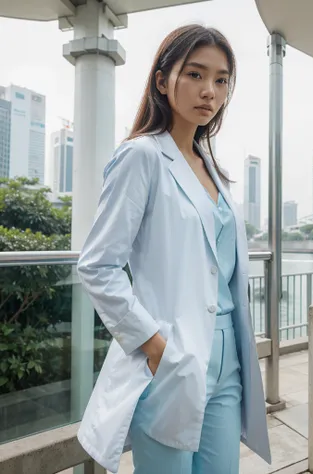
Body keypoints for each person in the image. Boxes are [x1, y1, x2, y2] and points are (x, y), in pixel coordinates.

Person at [75, 24, 271, 474]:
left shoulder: (211, 167)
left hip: (227, 361)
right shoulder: (142, 157)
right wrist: (155, 344)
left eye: (221, 80)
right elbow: (98, 264)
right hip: (174, 357)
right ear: (163, 82)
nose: (210, 91)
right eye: (196, 75)